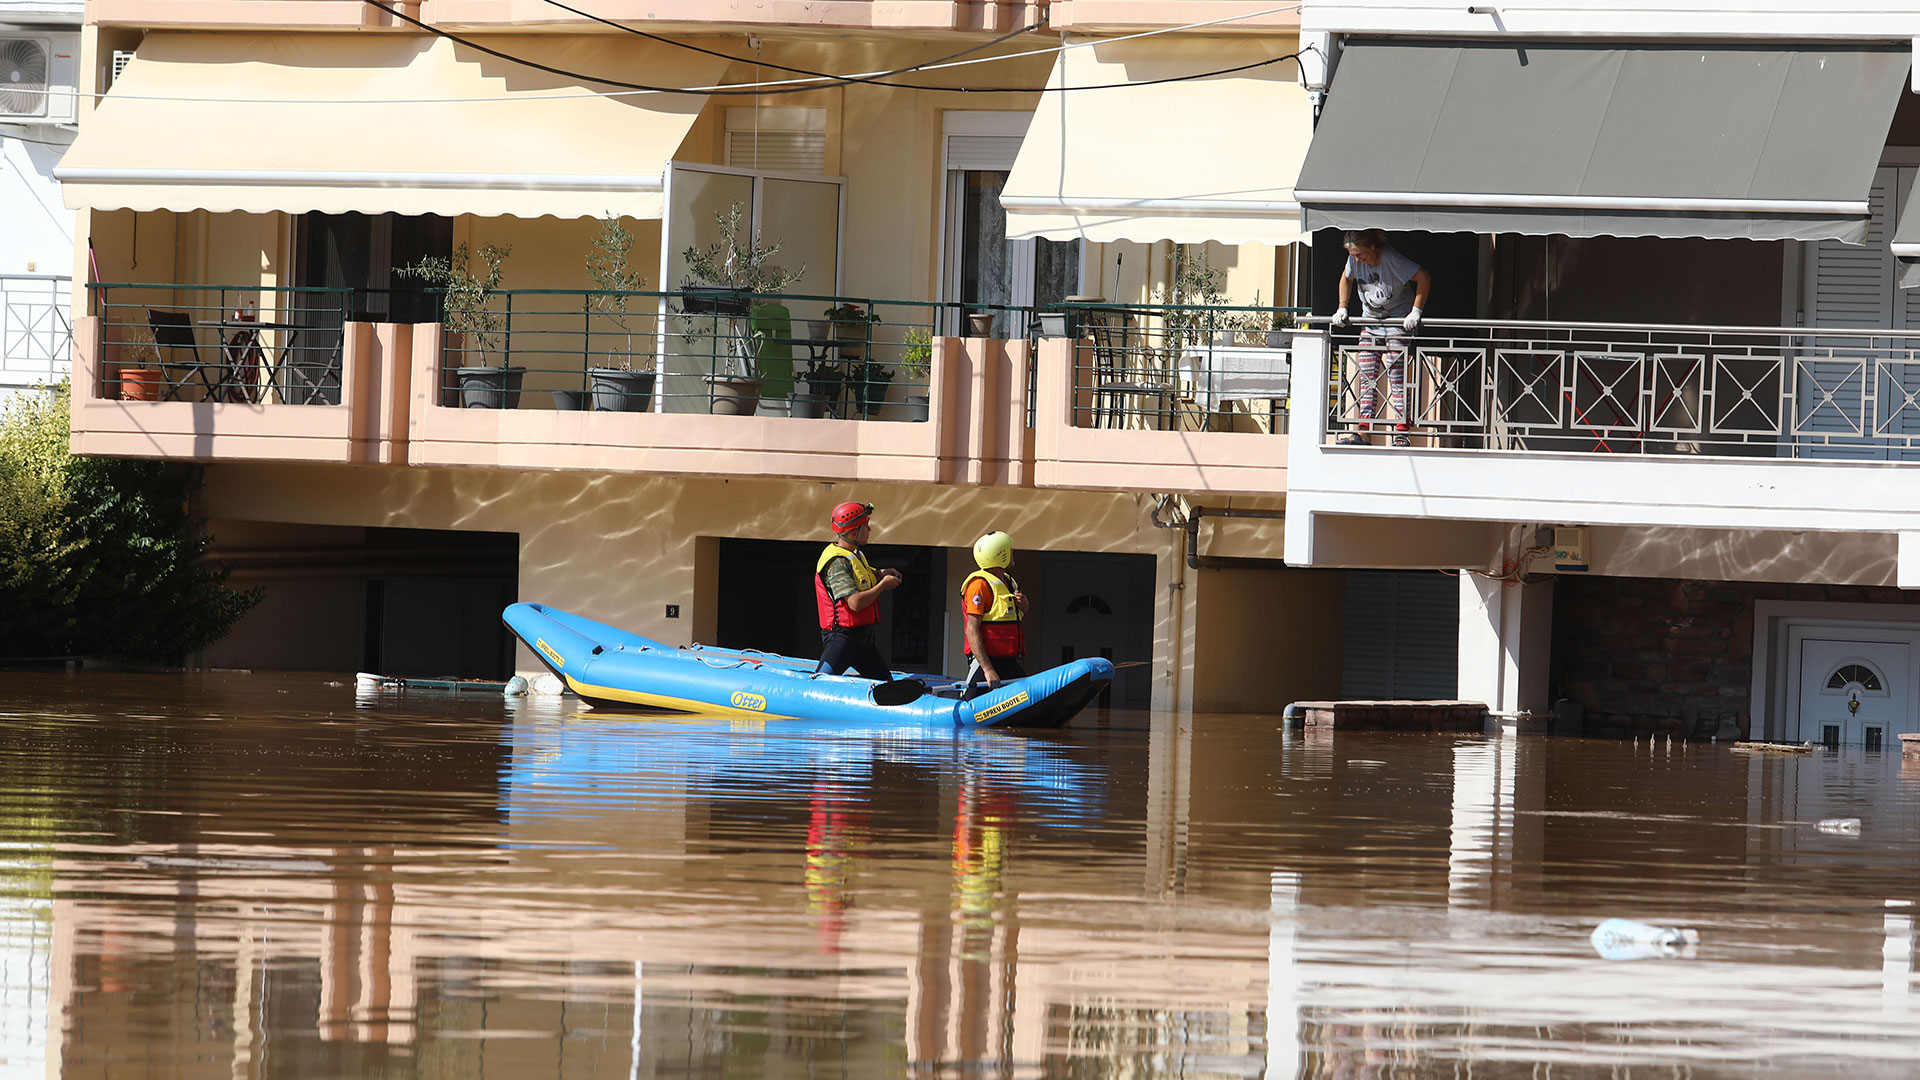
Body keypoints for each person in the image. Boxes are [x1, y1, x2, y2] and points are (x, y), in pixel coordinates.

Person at [1331, 229, 1432, 447]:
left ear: (1372, 247)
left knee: (1396, 376)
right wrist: (1342, 307)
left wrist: (1416, 311)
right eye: (1353, 255)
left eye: (1360, 254)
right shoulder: (1354, 259)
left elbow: (1424, 278)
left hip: (1396, 322)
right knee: (1366, 376)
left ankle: (1402, 431)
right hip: (1370, 323)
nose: (1357, 259)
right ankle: (1364, 431)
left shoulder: (1391, 259)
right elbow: (1345, 279)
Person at [814, 501, 902, 681]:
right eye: (866, 526)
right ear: (854, 532)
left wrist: (880, 574)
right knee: (821, 682)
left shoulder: (856, 554)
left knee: (886, 686)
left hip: (863, 639)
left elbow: (861, 578)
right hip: (842, 639)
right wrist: (883, 585)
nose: (869, 529)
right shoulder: (837, 563)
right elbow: (854, 603)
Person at [960, 530, 1029, 697]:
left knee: (1028, 696)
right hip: (985, 661)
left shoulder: (1008, 582)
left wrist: (1025, 605)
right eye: (1009, 550)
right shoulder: (979, 585)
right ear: (1001, 555)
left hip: (1008, 661)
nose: (1013, 553)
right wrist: (988, 669)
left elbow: (1014, 616)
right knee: (970, 701)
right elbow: (971, 630)